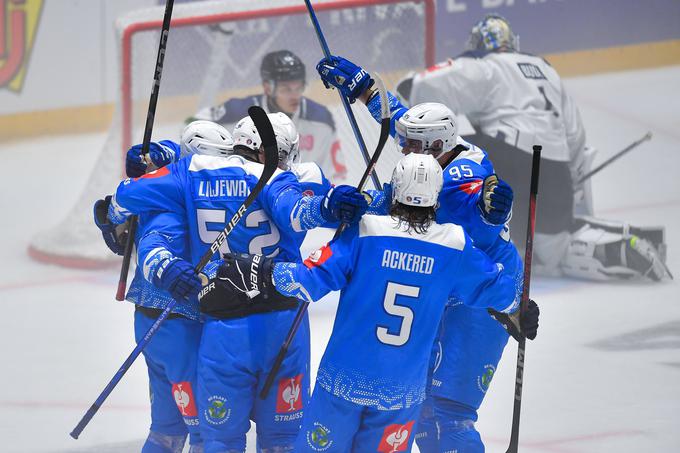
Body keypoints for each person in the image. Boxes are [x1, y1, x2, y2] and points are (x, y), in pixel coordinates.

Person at [202, 153, 539, 452]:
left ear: (394, 191)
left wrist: (260, 272)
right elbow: (502, 291)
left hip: (342, 382)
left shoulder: (365, 231)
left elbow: (307, 281)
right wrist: (521, 308)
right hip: (401, 394)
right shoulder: (456, 245)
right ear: (435, 199)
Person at [105, 113, 368, 453]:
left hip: (216, 324)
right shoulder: (287, 177)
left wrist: (114, 214)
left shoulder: (190, 173)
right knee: (282, 440)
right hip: (279, 323)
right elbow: (302, 212)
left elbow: (127, 199)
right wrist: (334, 206)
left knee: (209, 439)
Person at [315, 56, 534, 452]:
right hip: (451, 286)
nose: (405, 150)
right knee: (421, 410)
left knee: (447, 414)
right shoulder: (439, 151)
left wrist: (491, 206)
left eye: (414, 145)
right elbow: (402, 118)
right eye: (405, 143)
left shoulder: (458, 179)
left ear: (438, 146)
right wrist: (365, 89)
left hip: (484, 296)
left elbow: (477, 202)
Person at [397, 14, 669, 282]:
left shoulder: (484, 64)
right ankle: (615, 244)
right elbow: (574, 134)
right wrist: (568, 181)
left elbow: (424, 83)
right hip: (556, 170)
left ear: (478, 43)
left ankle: (438, 231)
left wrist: (410, 95)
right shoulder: (545, 68)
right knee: (549, 256)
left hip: (508, 160)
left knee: (449, 147)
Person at [93, 120, 234, 453]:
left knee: (166, 432)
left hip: (153, 321)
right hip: (177, 324)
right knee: (205, 434)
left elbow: (177, 155)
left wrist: (152, 155)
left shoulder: (170, 184)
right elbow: (148, 243)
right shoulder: (183, 199)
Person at [190, 50, 348, 181]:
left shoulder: (321, 119)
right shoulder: (237, 111)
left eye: (299, 87)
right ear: (267, 87)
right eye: (286, 89)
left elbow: (336, 173)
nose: (295, 95)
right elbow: (192, 126)